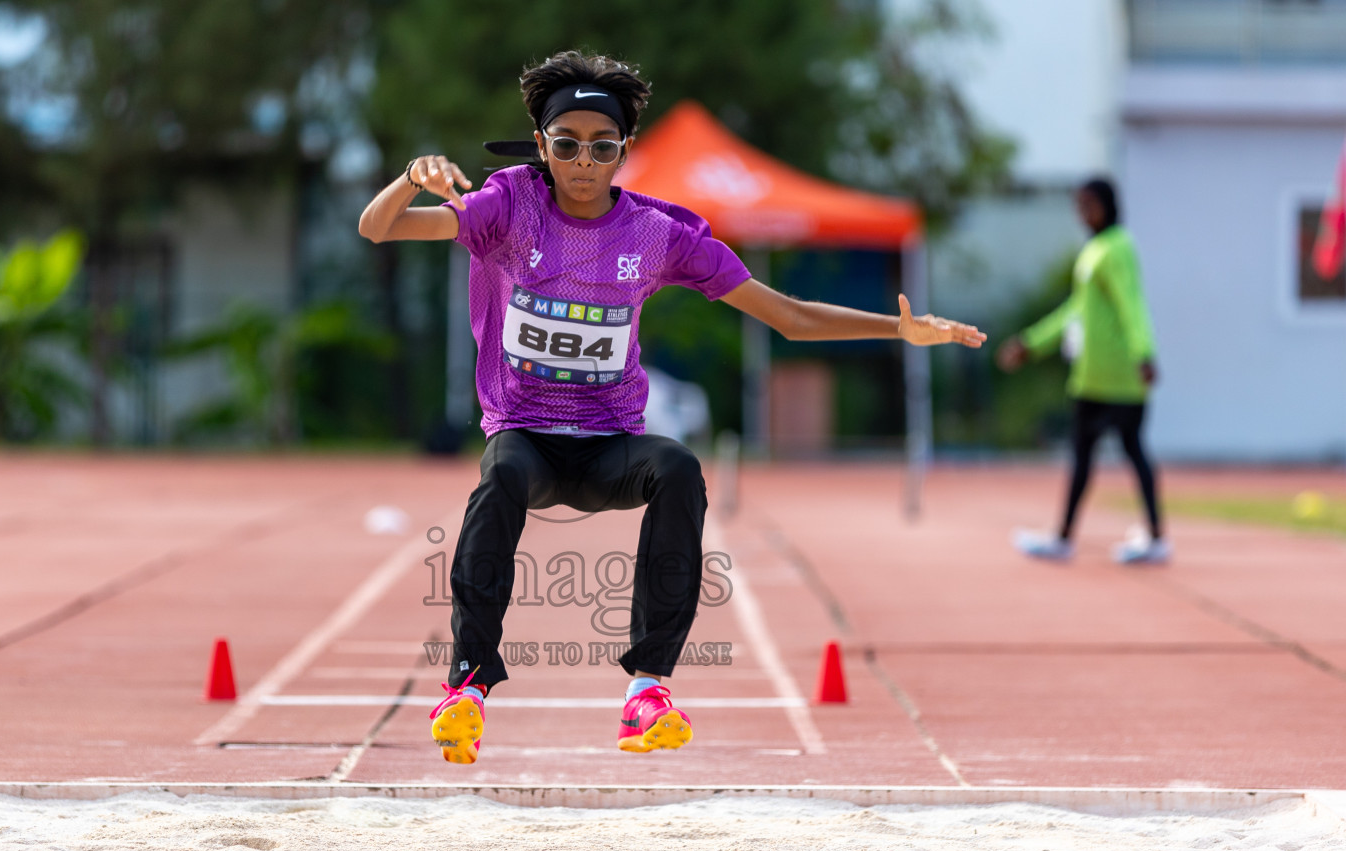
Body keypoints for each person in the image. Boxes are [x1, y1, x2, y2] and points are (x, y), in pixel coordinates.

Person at [359, 50, 984, 765]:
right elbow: (379, 228)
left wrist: (896, 328)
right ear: (542, 147)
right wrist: (412, 177)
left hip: (608, 446)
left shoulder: (657, 234)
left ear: (625, 152)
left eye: (602, 147)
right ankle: (467, 685)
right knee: (498, 477)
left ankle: (647, 691)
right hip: (525, 436)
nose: (583, 162)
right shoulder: (507, 208)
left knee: (679, 468)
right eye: (566, 146)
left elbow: (787, 317)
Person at [996, 177, 1168, 565]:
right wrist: (1031, 343)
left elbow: (1132, 304)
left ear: (1108, 205)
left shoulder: (1118, 248)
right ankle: (1063, 536)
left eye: (1089, 204)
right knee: (1082, 456)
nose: (1082, 213)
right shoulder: (1093, 251)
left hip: (1121, 375)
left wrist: (1144, 354)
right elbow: (1074, 311)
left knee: (1134, 450)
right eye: (1079, 205)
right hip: (1090, 376)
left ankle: (1156, 537)